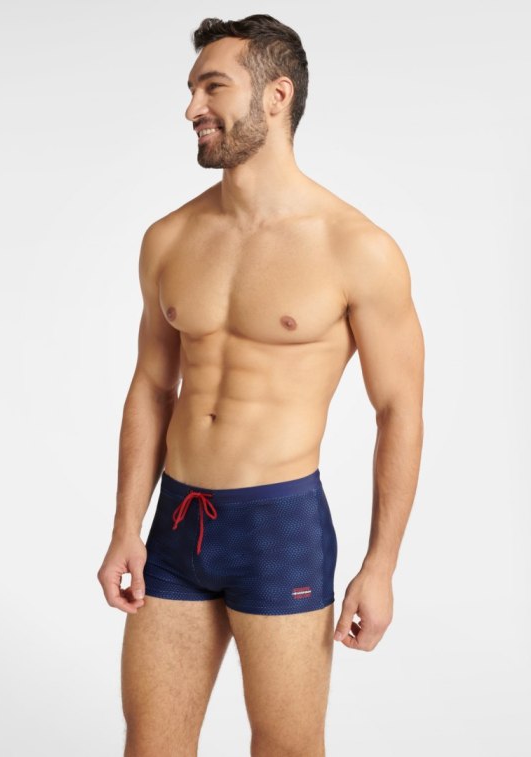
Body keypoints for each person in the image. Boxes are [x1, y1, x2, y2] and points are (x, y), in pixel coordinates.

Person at [97, 13, 424, 757]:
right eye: (191, 89)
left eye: (213, 87)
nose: (192, 108)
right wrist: (124, 527)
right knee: (151, 745)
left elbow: (399, 409)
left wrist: (381, 566)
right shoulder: (169, 238)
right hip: (176, 526)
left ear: (277, 96)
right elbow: (151, 387)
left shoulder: (357, 248)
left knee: (286, 747)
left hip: (280, 529)